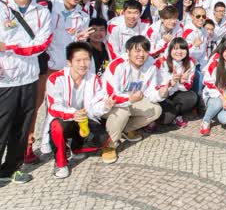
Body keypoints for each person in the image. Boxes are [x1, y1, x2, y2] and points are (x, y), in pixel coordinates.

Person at [0, 0, 52, 184]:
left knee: (22, 127)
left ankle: (11, 169)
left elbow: (42, 43)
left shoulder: (42, 11)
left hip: (30, 76)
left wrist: (9, 46)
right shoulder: (2, 7)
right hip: (4, 79)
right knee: (2, 125)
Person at [35, 0, 92, 159]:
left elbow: (77, 45)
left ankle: (53, 144)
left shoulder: (83, 16)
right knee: (37, 108)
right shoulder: (47, 8)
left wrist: (79, 40)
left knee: (61, 106)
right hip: (45, 68)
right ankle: (33, 147)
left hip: (67, 70)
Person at [45, 42, 112, 179]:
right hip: (64, 120)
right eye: (78, 60)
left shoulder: (93, 79)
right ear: (69, 62)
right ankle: (61, 163)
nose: (83, 64)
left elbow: (95, 105)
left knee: (104, 138)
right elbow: (54, 107)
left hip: (84, 120)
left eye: (86, 60)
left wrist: (105, 106)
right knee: (57, 127)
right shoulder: (55, 79)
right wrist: (73, 114)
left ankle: (76, 147)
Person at [101, 35, 162, 164]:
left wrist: (161, 93)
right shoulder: (117, 65)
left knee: (156, 110)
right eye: (137, 51)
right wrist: (129, 98)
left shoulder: (151, 64)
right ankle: (109, 144)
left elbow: (150, 91)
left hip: (133, 100)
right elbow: (111, 95)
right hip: (109, 103)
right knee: (122, 112)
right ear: (128, 51)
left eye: (145, 51)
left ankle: (125, 130)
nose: (141, 55)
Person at [154, 38, 197, 128]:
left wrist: (181, 82)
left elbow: (188, 87)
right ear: (170, 50)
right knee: (166, 119)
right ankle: (154, 118)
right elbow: (156, 85)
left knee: (192, 97)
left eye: (182, 48)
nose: (179, 52)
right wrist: (171, 82)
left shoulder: (190, 62)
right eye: (175, 49)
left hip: (176, 93)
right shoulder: (161, 62)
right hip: (161, 95)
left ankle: (176, 115)